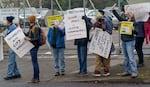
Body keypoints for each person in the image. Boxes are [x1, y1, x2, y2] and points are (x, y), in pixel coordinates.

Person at [112, 4, 138, 78]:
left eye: (130, 13)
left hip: (130, 41)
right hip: (124, 41)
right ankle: (127, 71)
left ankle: (134, 72)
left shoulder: (134, 22)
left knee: (131, 57)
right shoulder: (125, 20)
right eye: (127, 13)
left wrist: (133, 29)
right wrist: (113, 10)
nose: (128, 14)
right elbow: (119, 17)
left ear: (132, 14)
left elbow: (137, 32)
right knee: (126, 57)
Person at [93, 10, 114, 77]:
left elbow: (110, 31)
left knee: (106, 58)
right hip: (99, 42)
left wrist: (104, 29)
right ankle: (97, 71)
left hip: (106, 42)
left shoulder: (107, 21)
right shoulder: (96, 22)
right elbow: (94, 29)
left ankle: (106, 70)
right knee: (98, 58)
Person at [3, 16, 21, 80]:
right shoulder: (11, 27)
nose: (6, 22)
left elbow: (9, 36)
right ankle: (17, 73)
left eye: (7, 21)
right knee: (13, 60)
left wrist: (5, 35)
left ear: (9, 22)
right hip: (12, 45)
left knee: (11, 61)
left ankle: (9, 74)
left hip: (13, 46)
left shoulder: (12, 28)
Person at [24, 15, 40, 83]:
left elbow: (37, 38)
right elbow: (27, 34)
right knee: (34, 62)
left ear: (31, 20)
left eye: (29, 19)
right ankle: (36, 77)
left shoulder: (35, 27)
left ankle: (35, 77)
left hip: (34, 46)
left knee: (34, 62)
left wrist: (29, 39)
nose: (28, 20)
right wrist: (19, 30)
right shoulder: (32, 27)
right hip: (32, 46)